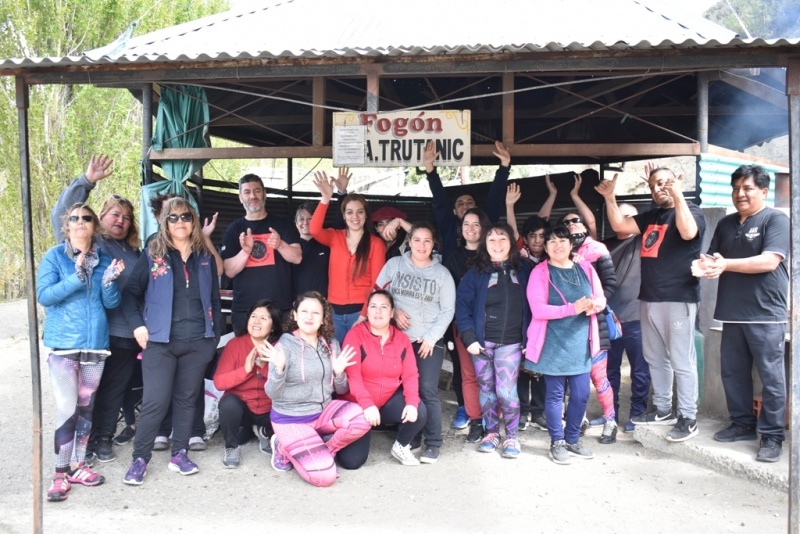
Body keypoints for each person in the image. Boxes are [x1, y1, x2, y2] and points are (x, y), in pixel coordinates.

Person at [595, 165, 706, 442]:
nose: (660, 188)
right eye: (655, 184)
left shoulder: (691, 211)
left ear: (678, 182)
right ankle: (663, 409)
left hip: (678, 298)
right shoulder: (651, 216)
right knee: (655, 358)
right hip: (648, 298)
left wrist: (678, 196)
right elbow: (620, 225)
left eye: (666, 182)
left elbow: (689, 232)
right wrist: (610, 198)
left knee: (681, 359)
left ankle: (688, 417)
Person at [122, 197, 222, 485]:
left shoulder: (204, 256)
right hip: (160, 342)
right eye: (173, 217)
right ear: (164, 222)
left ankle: (179, 453)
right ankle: (139, 459)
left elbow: (214, 298)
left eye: (185, 216)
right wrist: (138, 326)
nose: (180, 222)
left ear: (194, 221)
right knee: (155, 401)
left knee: (187, 400)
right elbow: (130, 295)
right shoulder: (153, 254)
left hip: (197, 342)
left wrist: (212, 338)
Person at [50, 155, 142, 464]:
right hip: (96, 334)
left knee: (114, 391)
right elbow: (63, 216)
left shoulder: (135, 253)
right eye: (115, 214)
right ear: (100, 217)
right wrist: (86, 182)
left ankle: (103, 439)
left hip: (127, 334)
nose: (121, 221)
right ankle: (77, 448)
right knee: (85, 396)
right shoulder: (93, 243)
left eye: (127, 217)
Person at [693, 165, 789, 462]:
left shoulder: (775, 219)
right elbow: (712, 255)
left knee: (771, 377)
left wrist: (725, 264)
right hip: (732, 312)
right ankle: (743, 424)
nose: (740, 194)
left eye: (747, 188)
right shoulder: (725, 223)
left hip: (765, 313)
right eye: (736, 188)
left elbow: (768, 262)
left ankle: (772, 436)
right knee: (733, 373)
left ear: (763, 191)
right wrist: (705, 264)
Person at [38, 203, 124, 501]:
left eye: (86, 218)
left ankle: (78, 464)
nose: (79, 222)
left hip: (95, 346)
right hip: (64, 345)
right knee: (67, 408)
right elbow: (45, 296)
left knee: (87, 409)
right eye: (74, 218)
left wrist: (110, 282)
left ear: (94, 226)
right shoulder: (55, 257)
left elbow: (110, 303)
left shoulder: (104, 260)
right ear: (67, 225)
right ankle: (60, 473)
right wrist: (76, 277)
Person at [262, 292, 370, 487]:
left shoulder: (331, 344)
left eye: (315, 313)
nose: (309, 317)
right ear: (295, 315)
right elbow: (272, 394)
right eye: (304, 311)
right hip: (292, 419)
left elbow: (342, 388)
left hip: (323, 414)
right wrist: (279, 369)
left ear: (323, 318)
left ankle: (325, 450)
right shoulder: (284, 347)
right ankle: (282, 447)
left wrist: (338, 373)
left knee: (363, 418)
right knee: (324, 477)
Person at [374, 222, 456, 464]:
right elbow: (378, 293)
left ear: (434, 244)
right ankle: (413, 436)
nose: (422, 245)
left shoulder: (442, 274)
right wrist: (394, 311)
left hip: (427, 341)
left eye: (427, 240)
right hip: (396, 341)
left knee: (427, 390)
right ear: (408, 241)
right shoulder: (395, 265)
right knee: (402, 389)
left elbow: (448, 310)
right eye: (417, 239)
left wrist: (431, 338)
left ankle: (433, 442)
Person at [524, 225, 605, 465]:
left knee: (581, 395)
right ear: (545, 247)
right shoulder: (540, 272)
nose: (557, 245)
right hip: (552, 342)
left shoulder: (585, 267)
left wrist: (594, 306)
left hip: (581, 342)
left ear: (571, 245)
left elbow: (600, 297)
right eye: (551, 242)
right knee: (555, 395)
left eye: (562, 241)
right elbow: (537, 309)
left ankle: (572, 439)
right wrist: (573, 308)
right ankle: (557, 441)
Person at [455, 222, 531, 458]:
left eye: (502, 239)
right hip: (481, 343)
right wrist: (469, 338)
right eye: (491, 240)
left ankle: (512, 437)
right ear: (484, 245)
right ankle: (491, 432)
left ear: (512, 242)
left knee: (506, 392)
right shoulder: (475, 274)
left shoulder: (525, 269)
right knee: (486, 390)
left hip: (511, 343)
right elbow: (462, 308)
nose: (497, 244)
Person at [338, 290, 427, 467]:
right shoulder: (354, 335)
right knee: (351, 462)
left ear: (392, 312)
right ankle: (356, 429)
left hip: (386, 402)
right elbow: (353, 376)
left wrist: (411, 402)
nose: (378, 311)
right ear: (367, 311)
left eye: (383, 307)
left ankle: (401, 445)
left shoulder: (401, 339)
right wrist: (367, 405)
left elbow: (410, 375)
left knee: (419, 411)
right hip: (358, 405)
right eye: (373, 307)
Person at [311, 172, 386, 343]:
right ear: (344, 216)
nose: (355, 217)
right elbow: (314, 230)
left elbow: (377, 285)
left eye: (360, 212)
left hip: (360, 313)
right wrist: (325, 199)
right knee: (335, 361)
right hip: (334, 313)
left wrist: (365, 315)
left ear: (366, 215)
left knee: (358, 362)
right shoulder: (335, 237)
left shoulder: (376, 244)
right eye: (350, 212)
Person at [221, 173, 302, 330]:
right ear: (240, 197)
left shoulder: (282, 224)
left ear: (264, 194)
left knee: (281, 354)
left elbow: (297, 257)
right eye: (247, 192)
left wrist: (279, 245)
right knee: (245, 355)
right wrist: (245, 252)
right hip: (245, 309)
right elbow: (229, 271)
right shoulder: (234, 229)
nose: (252, 196)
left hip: (280, 309)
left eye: (257, 190)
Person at [213, 299, 283, 468]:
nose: (256, 321)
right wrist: (246, 369)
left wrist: (266, 369)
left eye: (264, 318)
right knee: (228, 403)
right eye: (253, 316)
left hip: (270, 409)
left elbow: (287, 385)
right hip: (243, 409)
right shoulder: (235, 345)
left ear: (273, 326)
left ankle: (263, 432)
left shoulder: (279, 347)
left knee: (287, 416)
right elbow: (219, 382)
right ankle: (231, 448)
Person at [443, 208, 490, 443]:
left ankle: (492, 420)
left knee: (492, 375)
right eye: (466, 224)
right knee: (469, 374)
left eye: (476, 224)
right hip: (463, 325)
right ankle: (475, 420)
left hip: (492, 324)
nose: (471, 229)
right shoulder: (453, 258)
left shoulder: (494, 253)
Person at [604, 203, 651, 433]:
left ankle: (637, 413)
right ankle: (609, 415)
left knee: (640, 370)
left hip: (637, 318)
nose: (624, 219)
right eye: (620, 215)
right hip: (610, 319)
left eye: (630, 216)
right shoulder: (605, 245)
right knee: (609, 371)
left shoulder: (644, 241)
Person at [423, 139, 511, 261]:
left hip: (482, 275)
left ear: (477, 208)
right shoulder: (448, 225)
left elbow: (494, 198)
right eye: (460, 203)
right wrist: (429, 168)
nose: (465, 206)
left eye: (470, 202)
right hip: (451, 278)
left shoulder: (485, 222)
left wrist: (504, 166)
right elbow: (440, 199)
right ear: (454, 211)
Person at [506, 184, 549, 431]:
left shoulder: (553, 260)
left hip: (546, 321)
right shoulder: (518, 261)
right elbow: (511, 234)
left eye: (542, 236)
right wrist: (510, 206)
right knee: (521, 367)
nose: (537, 241)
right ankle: (522, 412)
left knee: (543, 366)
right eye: (532, 236)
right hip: (522, 320)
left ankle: (539, 412)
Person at [292, 202, 330, 298]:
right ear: (296, 223)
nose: (305, 222)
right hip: (297, 304)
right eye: (301, 219)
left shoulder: (326, 244)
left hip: (322, 304)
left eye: (310, 219)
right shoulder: (290, 249)